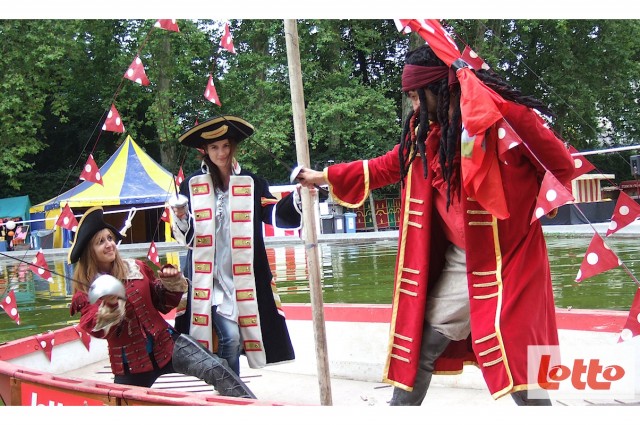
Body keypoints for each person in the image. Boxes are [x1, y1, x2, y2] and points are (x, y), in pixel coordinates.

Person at [295, 44, 575, 406]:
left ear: (440, 89)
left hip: (513, 258)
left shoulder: (506, 117)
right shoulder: (424, 133)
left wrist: (540, 201)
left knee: (519, 358)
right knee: (421, 344)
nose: (414, 106)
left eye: (416, 96)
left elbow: (560, 165)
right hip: (462, 259)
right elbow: (388, 166)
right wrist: (322, 177)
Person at [69, 206, 255, 397]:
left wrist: (171, 281)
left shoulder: (136, 267)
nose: (109, 244)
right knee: (124, 407)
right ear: (89, 251)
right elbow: (98, 329)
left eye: (110, 238)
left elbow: (162, 303)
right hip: (131, 365)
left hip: (167, 344)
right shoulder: (85, 292)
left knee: (216, 368)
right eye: (101, 242)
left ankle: (250, 407)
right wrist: (110, 305)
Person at [170, 114, 302, 377]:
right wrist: (182, 217)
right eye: (214, 147)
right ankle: (231, 390)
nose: (221, 153)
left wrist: (298, 196)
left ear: (233, 147)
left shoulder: (253, 183)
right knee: (229, 336)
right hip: (207, 278)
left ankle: (227, 388)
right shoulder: (191, 185)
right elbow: (187, 239)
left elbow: (273, 214)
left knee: (235, 338)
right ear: (205, 151)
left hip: (242, 276)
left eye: (226, 146)